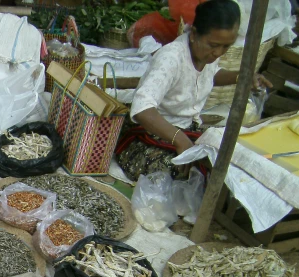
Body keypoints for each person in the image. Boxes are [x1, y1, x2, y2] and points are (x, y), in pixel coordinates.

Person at [116, 0, 272, 181]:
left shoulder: (205, 54)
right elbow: (142, 109)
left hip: (186, 129)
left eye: (226, 47)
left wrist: (242, 77)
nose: (218, 53)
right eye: (214, 45)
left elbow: (211, 75)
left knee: (229, 164)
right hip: (151, 135)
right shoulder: (171, 58)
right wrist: (180, 140)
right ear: (194, 34)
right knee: (184, 173)